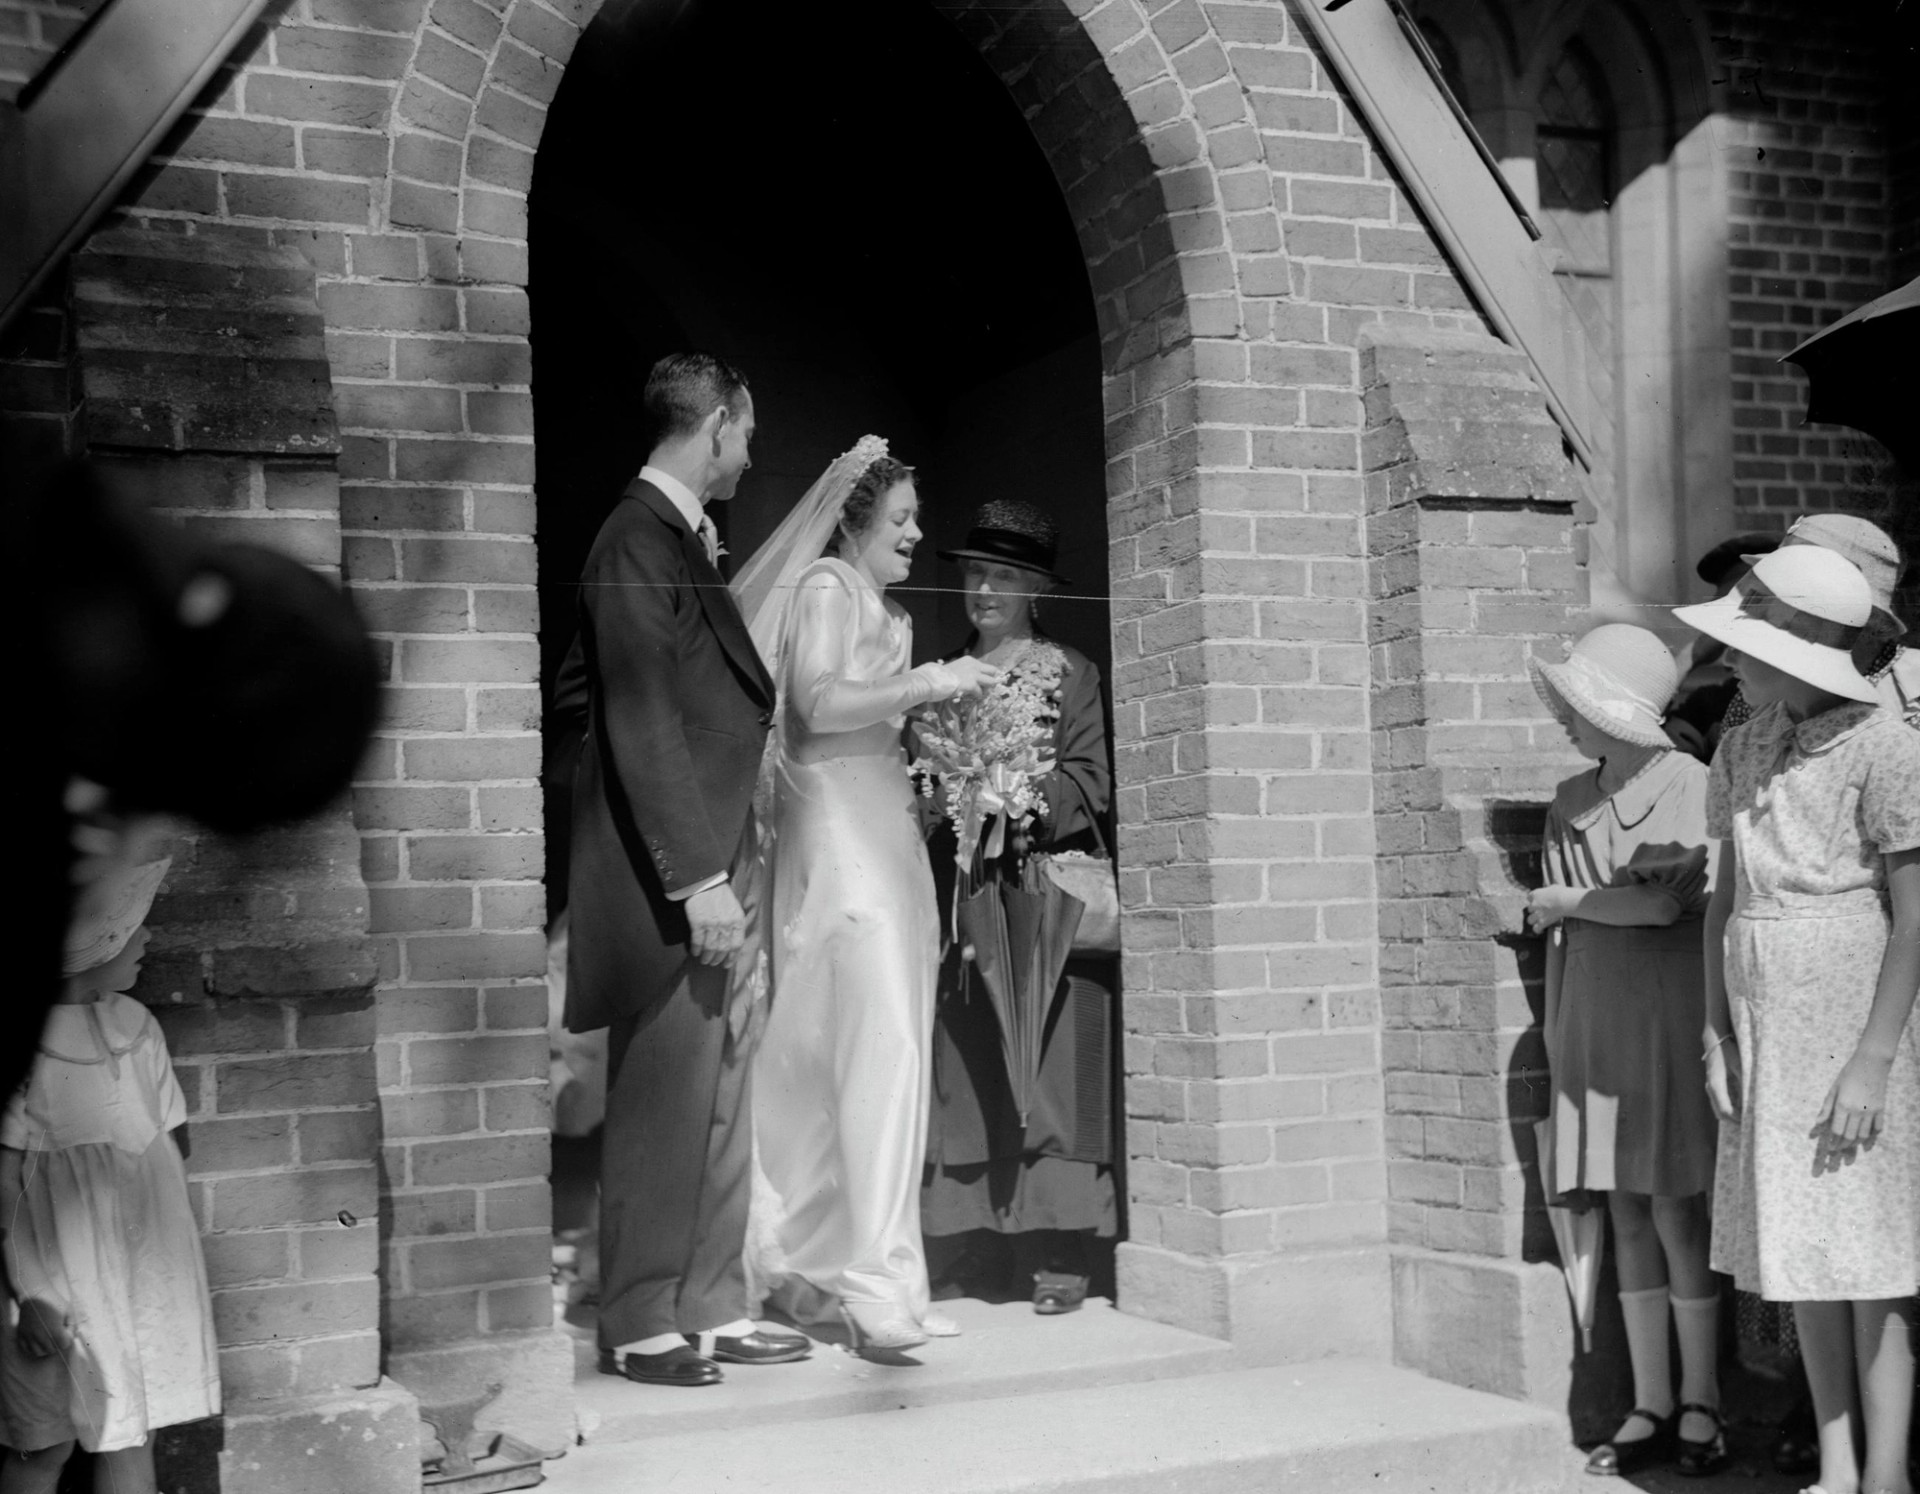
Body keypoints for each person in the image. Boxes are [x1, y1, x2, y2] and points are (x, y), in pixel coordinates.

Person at [561, 352, 810, 1389]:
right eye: (745, 434)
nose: (751, 457)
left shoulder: (679, 541)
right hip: (675, 877)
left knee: (721, 1086)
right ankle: (636, 1318)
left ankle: (708, 1304)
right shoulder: (634, 539)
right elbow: (640, 720)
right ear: (712, 425)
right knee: (668, 1092)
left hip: (718, 858)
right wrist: (697, 879)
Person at [730, 439, 1000, 1355]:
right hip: (840, 842)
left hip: (884, 830)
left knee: (883, 1045)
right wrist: (930, 681)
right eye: (902, 519)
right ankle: (869, 1281)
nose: (917, 534)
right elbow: (813, 703)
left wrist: (950, 740)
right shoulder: (826, 590)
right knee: (861, 1043)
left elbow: (873, 712)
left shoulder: (883, 608)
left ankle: (883, 1271)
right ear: (854, 521)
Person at [1677, 545, 1920, 1494]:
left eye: (1744, 647)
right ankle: (1837, 1462)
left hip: (1853, 1023)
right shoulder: (1742, 746)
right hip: (1763, 1027)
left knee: (1872, 1247)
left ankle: (1888, 1474)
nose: (1729, 665)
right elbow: (1722, 901)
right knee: (1804, 1245)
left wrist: (1873, 1059)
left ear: (1801, 648)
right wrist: (1715, 1033)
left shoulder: (1887, 748)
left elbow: (1913, 915)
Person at [1523, 625, 1727, 1478]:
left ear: (1617, 712)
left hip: (1665, 1018)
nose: (1567, 721)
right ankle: (1649, 1399)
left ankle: (1703, 1402)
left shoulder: (1689, 784)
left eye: (1579, 707)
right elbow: (1592, 924)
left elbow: (1659, 911)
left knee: (1678, 1209)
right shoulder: (1569, 797)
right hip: (1596, 1023)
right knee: (1628, 1211)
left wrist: (1566, 898)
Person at [920, 500, 1120, 1315]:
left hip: (1042, 897)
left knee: (1051, 1070)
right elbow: (921, 789)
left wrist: (1012, 790)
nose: (984, 588)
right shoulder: (939, 674)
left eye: (1002, 574)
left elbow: (1090, 783)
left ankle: (1055, 1250)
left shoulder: (1071, 673)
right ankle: (974, 1240)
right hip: (968, 900)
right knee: (968, 1073)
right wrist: (938, 794)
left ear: (1035, 587)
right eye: (975, 571)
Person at [0, 857, 218, 1494]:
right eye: (132, 928)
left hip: (137, 1266)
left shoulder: (137, 1028)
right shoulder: (28, 1046)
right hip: (53, 1279)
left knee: (135, 1424)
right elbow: (6, 1182)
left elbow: (157, 1152)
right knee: (44, 1442)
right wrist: (32, 1295)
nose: (147, 938)